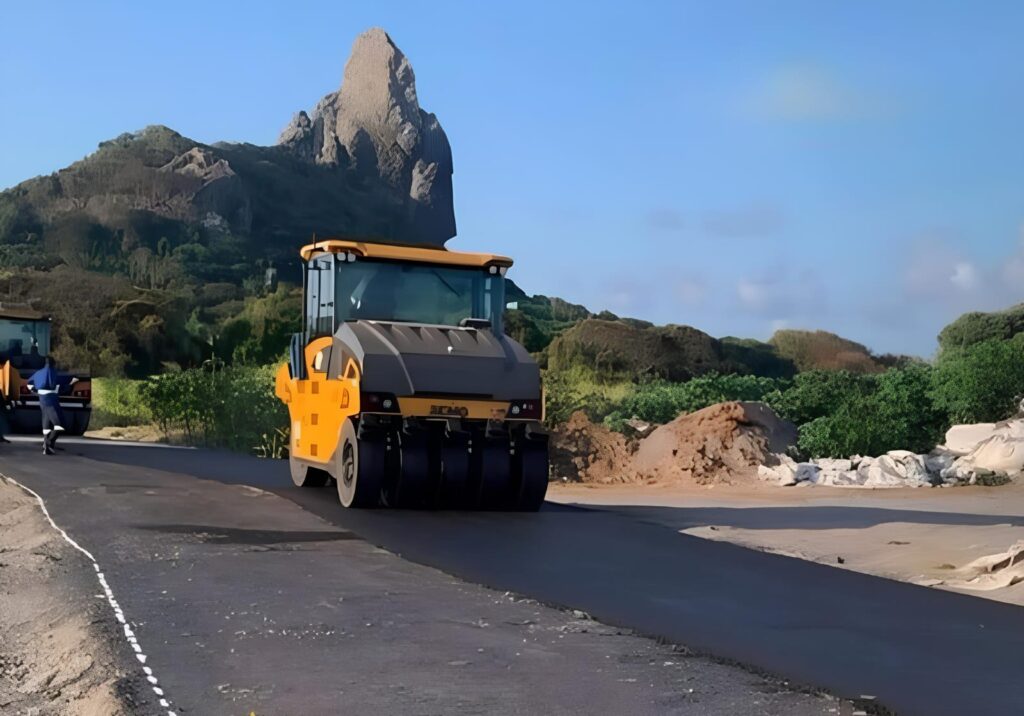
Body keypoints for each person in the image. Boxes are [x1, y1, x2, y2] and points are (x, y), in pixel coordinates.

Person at [27, 357, 77, 455]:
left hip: (41, 399)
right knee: (60, 424)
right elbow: (65, 382)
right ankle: (48, 444)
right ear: (54, 364)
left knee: (46, 422)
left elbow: (29, 383)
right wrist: (72, 382)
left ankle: (47, 445)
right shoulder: (54, 373)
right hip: (51, 400)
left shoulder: (38, 373)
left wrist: (35, 392)